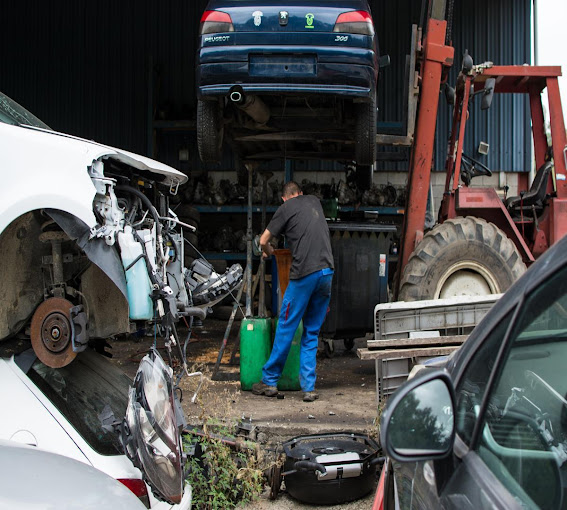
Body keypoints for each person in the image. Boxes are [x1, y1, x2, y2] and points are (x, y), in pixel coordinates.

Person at [252, 181, 334, 402]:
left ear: (284, 198)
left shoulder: (286, 208)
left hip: (304, 275)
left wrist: (269, 251)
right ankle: (308, 388)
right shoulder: (314, 201)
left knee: (286, 326)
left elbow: (263, 240)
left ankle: (269, 381)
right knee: (311, 333)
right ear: (301, 193)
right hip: (326, 273)